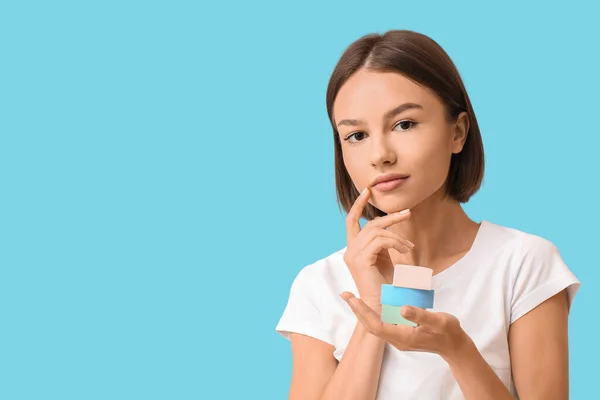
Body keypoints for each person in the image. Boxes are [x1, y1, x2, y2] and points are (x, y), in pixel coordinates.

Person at [275, 29, 580, 400]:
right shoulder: (320, 284)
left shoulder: (523, 264)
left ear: (458, 132)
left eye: (404, 124)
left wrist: (458, 350)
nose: (380, 154)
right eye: (356, 136)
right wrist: (373, 312)